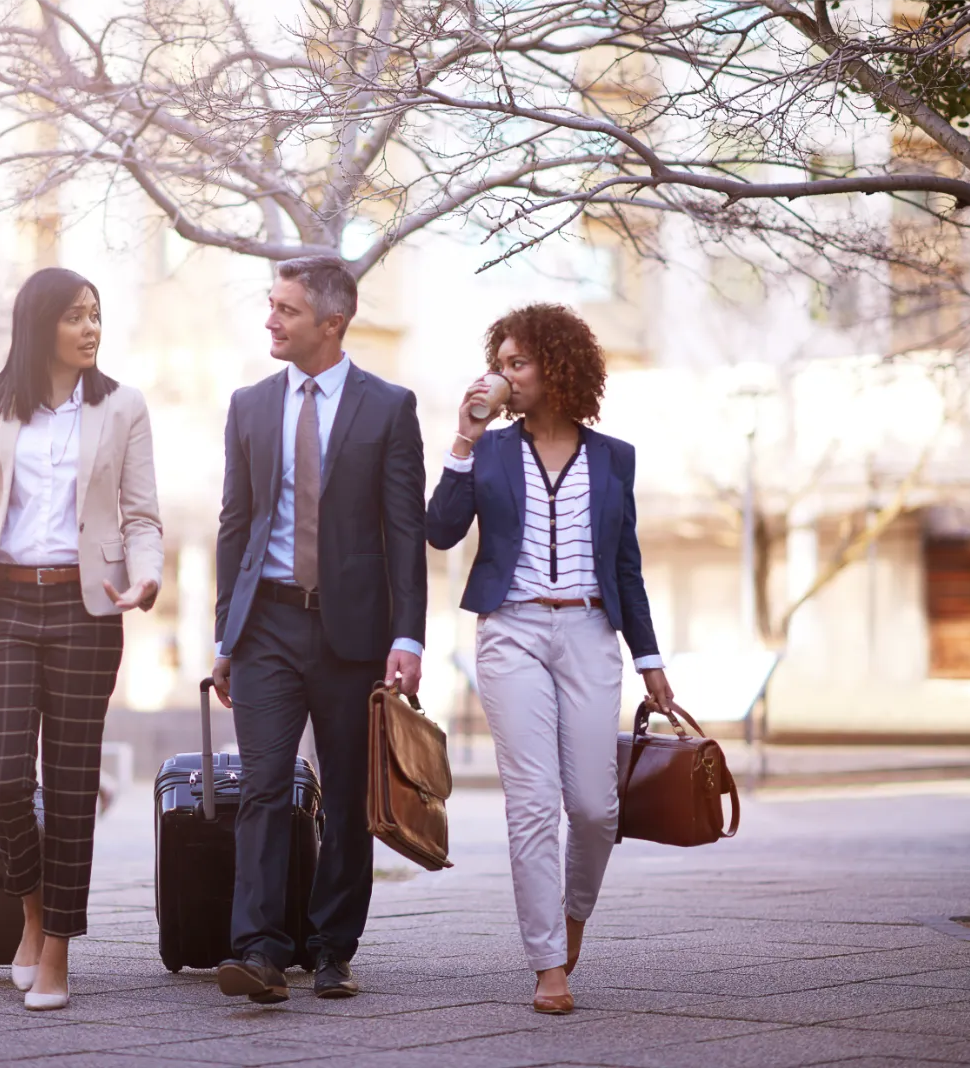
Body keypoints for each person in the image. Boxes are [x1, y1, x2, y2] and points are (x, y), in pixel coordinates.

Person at [425, 303, 673, 1016]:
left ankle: (570, 920)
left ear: (558, 367)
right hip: (512, 633)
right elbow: (440, 532)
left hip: (592, 633)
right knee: (533, 804)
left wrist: (649, 659)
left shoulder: (614, 457)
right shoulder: (493, 451)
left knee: (594, 809)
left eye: (517, 363)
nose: (504, 376)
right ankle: (547, 964)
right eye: (500, 363)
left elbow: (626, 566)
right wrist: (463, 441)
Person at [0, 267, 163, 1012]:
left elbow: (142, 515)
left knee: (68, 787)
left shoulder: (122, 406)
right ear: (40, 327)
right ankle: (31, 911)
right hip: (7, 607)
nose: (91, 328)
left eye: (96, 314)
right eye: (74, 316)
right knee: (1, 777)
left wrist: (148, 577)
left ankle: (57, 951)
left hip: (87, 608)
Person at [211, 255, 428, 1005]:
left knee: (347, 795)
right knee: (264, 787)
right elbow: (234, 527)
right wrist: (224, 639)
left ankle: (333, 947)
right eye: (271, 306)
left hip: (354, 635)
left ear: (331, 324)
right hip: (266, 625)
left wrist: (409, 638)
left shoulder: (389, 408)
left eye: (286, 309)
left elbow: (404, 533)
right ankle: (259, 951)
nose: (270, 319)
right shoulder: (248, 406)